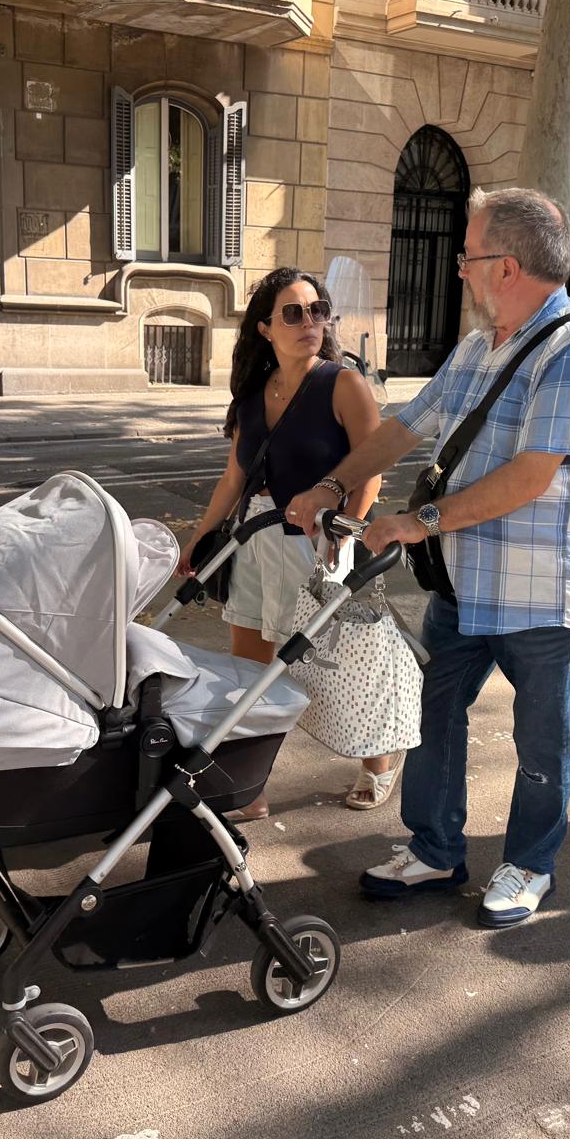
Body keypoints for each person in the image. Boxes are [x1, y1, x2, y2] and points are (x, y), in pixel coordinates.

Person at [286, 187, 570, 929]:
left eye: (467, 257)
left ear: (505, 265)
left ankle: (530, 863)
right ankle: (436, 848)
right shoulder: (477, 346)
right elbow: (407, 425)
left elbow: (535, 475)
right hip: (466, 586)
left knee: (542, 742)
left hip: (543, 592)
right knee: (431, 714)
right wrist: (332, 483)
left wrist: (420, 520)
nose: (459, 271)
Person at [178, 267, 403, 819]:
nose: (310, 322)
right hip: (255, 541)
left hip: (320, 541)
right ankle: (248, 788)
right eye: (294, 312)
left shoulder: (342, 382)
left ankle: (379, 762)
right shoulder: (254, 394)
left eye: (317, 310)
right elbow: (234, 476)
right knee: (249, 667)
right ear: (264, 328)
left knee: (343, 664)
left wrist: (347, 532)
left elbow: (369, 467)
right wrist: (201, 537)